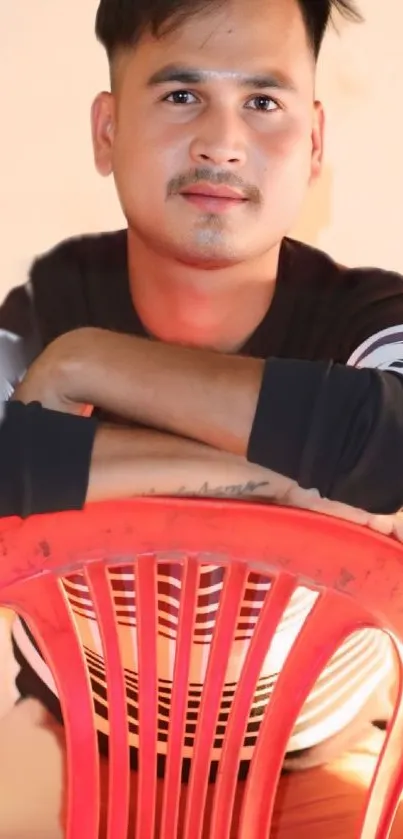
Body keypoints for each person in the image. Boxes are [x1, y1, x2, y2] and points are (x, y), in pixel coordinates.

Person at [1, 0, 403, 833]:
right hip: (73, 732)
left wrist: (89, 366)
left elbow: (393, 450)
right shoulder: (46, 306)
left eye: (263, 101)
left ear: (316, 140)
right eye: (181, 95)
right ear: (107, 130)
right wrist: (283, 480)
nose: (222, 141)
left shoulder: (366, 319)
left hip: (316, 752)